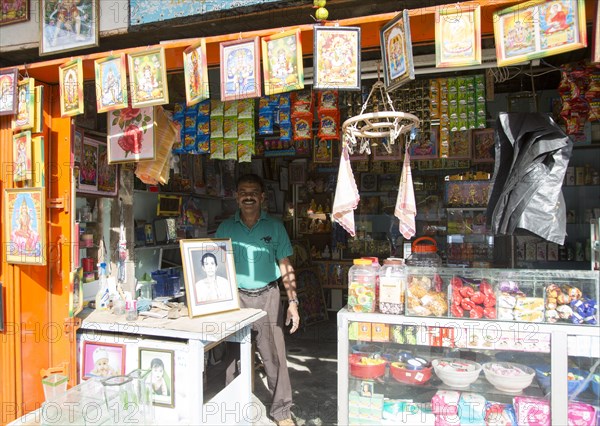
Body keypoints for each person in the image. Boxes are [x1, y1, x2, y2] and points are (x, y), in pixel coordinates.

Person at [216, 174, 299, 426]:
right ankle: (235, 406)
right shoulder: (225, 228)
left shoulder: (274, 227)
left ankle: (282, 412)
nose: (248, 196)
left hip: (268, 297)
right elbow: (215, 265)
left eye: (253, 192)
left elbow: (285, 266)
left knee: (273, 356)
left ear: (263, 197)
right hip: (236, 299)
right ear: (236, 197)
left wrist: (293, 302)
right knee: (234, 356)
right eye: (243, 191)